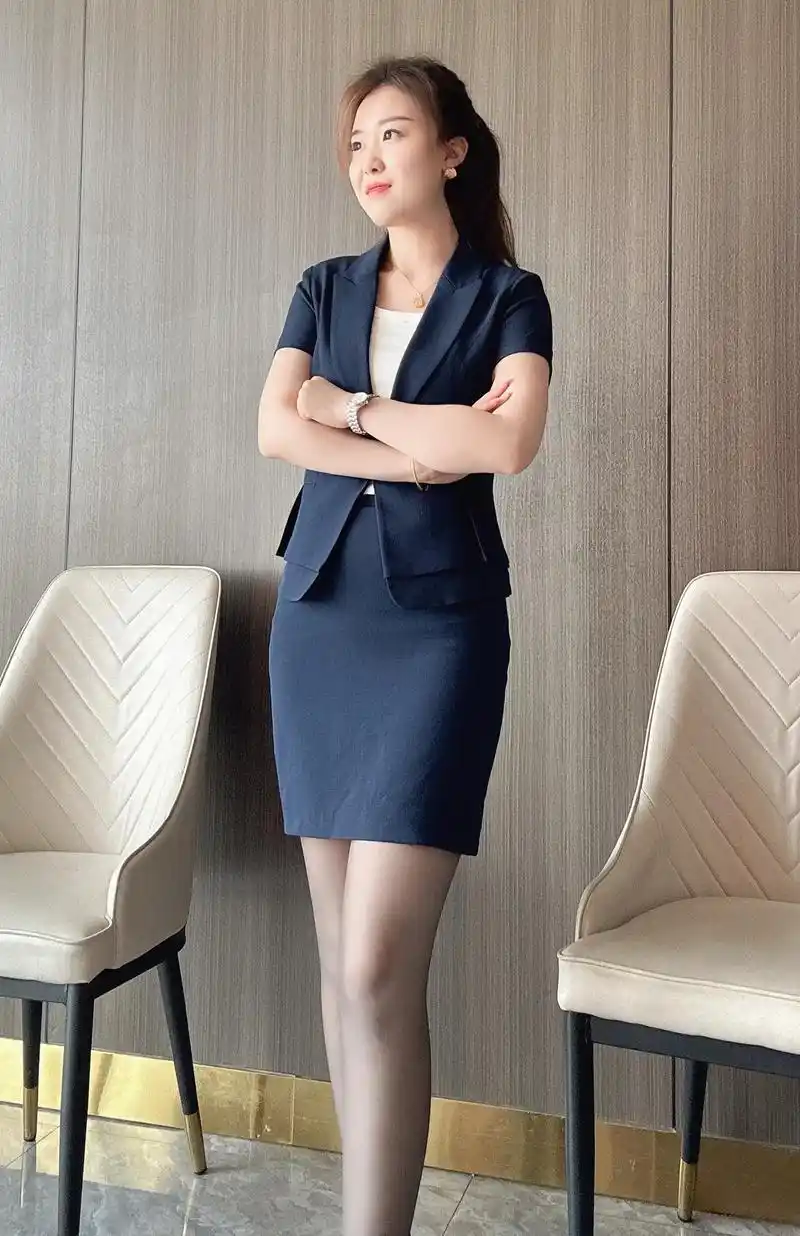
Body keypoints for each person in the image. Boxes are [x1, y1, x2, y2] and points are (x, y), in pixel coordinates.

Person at [258, 55, 552, 1236]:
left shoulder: (507, 296)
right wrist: (419, 443)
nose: (368, 159)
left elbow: (508, 445)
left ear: (449, 150)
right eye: (355, 144)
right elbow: (274, 430)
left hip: (438, 632)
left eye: (390, 134)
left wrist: (353, 409)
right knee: (343, 963)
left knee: (379, 963)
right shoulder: (322, 286)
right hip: (320, 616)